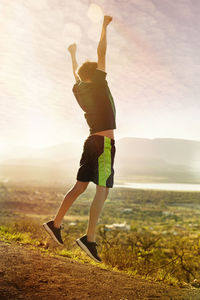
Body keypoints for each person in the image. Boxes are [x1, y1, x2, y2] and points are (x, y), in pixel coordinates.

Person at [43, 15, 116, 263]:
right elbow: (101, 50)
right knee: (103, 191)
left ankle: (55, 223)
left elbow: (75, 75)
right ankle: (90, 238)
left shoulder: (80, 89)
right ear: (94, 73)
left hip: (89, 142)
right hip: (104, 143)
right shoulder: (97, 82)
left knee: (80, 186)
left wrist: (72, 54)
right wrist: (104, 27)